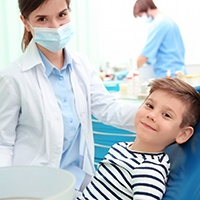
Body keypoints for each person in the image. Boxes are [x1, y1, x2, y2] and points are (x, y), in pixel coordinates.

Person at [0, 0, 139, 197]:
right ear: (25, 22)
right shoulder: (12, 78)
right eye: (42, 19)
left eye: (62, 15)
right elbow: (3, 144)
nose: (56, 27)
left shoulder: (81, 64)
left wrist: (155, 115)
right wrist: (7, 192)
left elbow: (109, 109)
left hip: (78, 184)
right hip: (33, 189)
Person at [77, 77, 200, 200]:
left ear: (183, 134)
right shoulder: (119, 147)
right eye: (149, 105)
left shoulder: (150, 170)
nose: (151, 115)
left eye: (166, 115)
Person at [133, 0, 185, 78]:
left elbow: (146, 54)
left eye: (141, 15)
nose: (142, 18)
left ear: (147, 8)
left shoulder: (159, 24)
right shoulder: (168, 21)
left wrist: (132, 70)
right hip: (177, 72)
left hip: (168, 74)